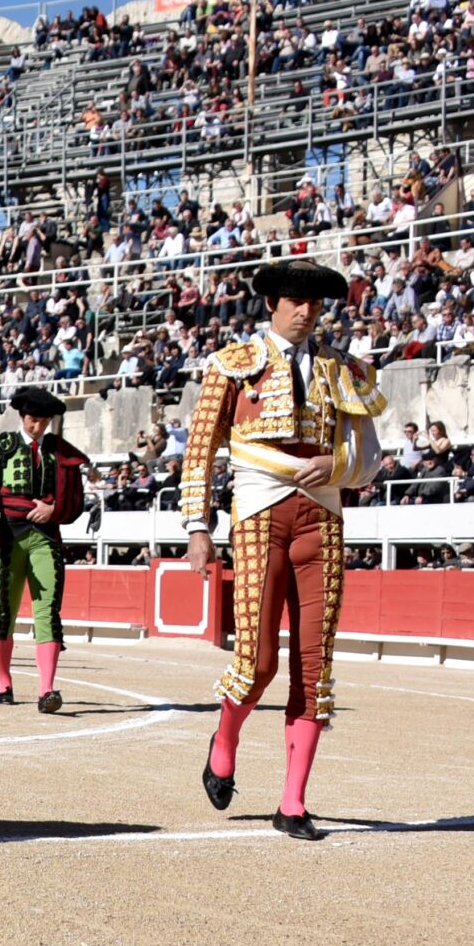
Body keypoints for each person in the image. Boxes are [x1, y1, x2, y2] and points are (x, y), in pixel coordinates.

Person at [181, 261, 388, 840]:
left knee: (314, 666)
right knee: (258, 662)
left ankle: (293, 803)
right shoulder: (231, 365)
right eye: (296, 301)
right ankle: (224, 738)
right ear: (271, 302)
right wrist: (198, 527)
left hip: (321, 517)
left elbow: (370, 456)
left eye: (316, 304)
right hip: (256, 515)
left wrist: (338, 465)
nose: (307, 312)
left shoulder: (343, 371)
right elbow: (200, 453)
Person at [0, 385, 89, 712]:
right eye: (33, 420)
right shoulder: (2, 446)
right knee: (4, 612)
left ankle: (46, 690)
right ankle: (4, 680)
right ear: (23, 417)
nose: (38, 427)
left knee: (48, 611)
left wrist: (55, 511)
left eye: (43, 421)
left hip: (46, 539)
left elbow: (76, 502)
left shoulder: (57, 451)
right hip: (9, 537)